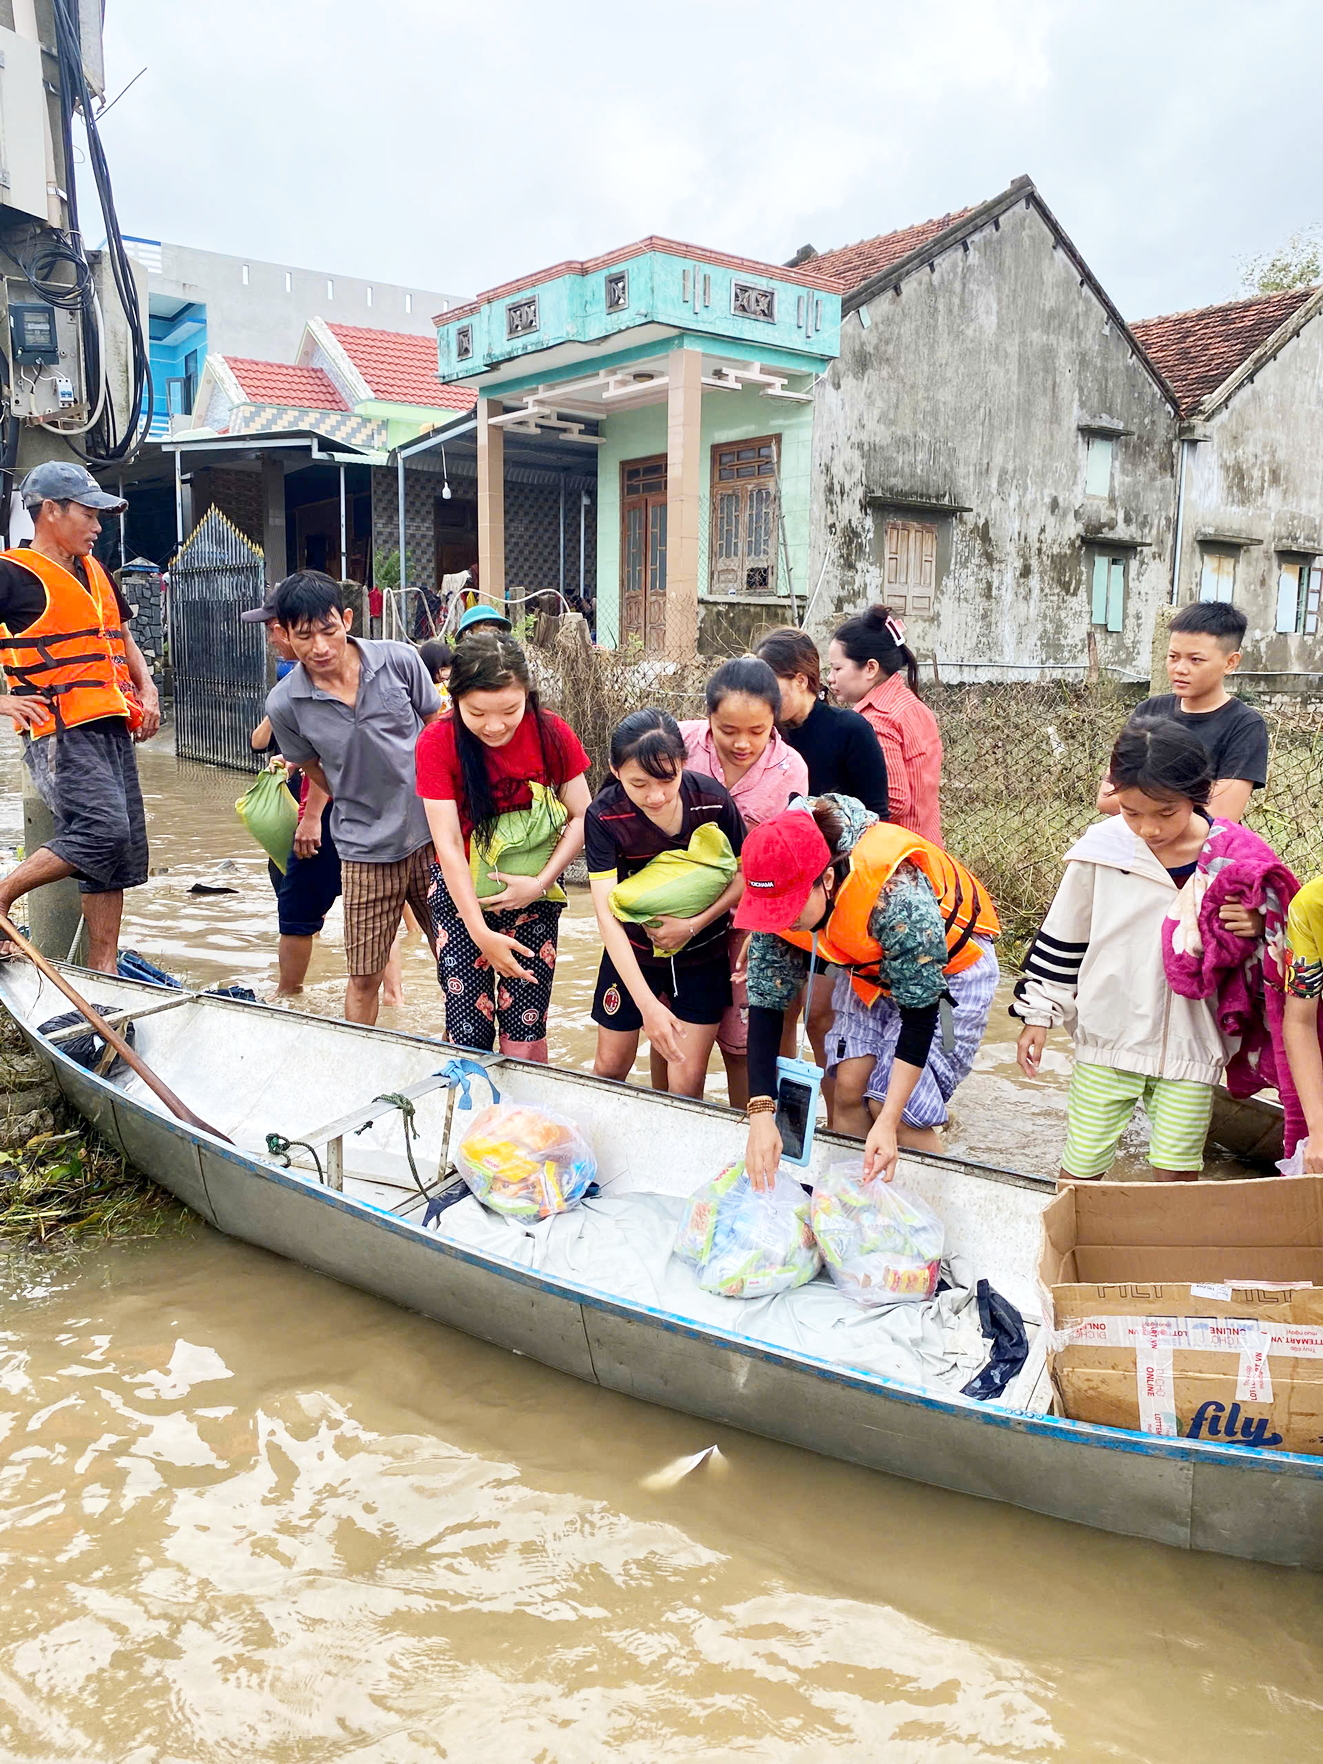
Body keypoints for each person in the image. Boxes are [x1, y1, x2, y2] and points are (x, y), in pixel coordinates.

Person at [1015, 720, 1259, 1183]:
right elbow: (1064, 935)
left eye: (1166, 813)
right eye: (1131, 812)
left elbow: (1281, 928)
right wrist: (1038, 1014)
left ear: (1198, 794)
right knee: (1080, 1173)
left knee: (1177, 1176)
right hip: (1109, 1034)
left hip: (1194, 1039)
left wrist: (1257, 924)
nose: (1148, 828)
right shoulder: (1102, 850)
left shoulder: (1232, 859)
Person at [736, 800, 1000, 1185]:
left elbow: (921, 1011)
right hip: (869, 972)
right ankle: (853, 1213)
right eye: (770, 912)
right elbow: (765, 1003)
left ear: (826, 880)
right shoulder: (780, 885)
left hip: (948, 977)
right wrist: (761, 1112)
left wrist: (888, 1123)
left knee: (896, 1109)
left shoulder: (895, 897)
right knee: (846, 1090)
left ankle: (938, 1214)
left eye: (788, 909)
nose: (781, 923)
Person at [0, 462, 160, 973]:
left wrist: (148, 686)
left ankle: (104, 970)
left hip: (112, 722)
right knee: (101, 831)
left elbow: (124, 638)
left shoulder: (96, 571)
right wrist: (3, 703)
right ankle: (2, 895)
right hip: (60, 730)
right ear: (51, 511)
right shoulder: (11, 573)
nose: (97, 526)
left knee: (120, 855)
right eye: (88, 515)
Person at [264, 570, 442, 1025]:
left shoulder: (400, 661)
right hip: (363, 851)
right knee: (363, 976)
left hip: (433, 841)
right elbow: (313, 769)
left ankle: (468, 1055)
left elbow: (438, 731)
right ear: (285, 635)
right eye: (304, 637)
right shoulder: (285, 704)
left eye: (329, 630)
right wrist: (354, 797)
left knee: (459, 960)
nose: (320, 647)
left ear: (346, 619)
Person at [416, 628, 590, 1060]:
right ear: (453, 699)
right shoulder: (437, 743)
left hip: (536, 897)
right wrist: (479, 932)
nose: (494, 726)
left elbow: (585, 815)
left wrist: (541, 882)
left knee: (527, 1034)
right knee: (467, 1034)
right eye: (477, 713)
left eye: (509, 710)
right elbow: (450, 846)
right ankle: (475, 1123)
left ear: (527, 696)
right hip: (461, 905)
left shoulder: (552, 734)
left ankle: (525, 1122)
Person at [587, 710, 745, 1100]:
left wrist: (693, 923)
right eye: (639, 783)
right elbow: (607, 917)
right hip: (633, 952)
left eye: (667, 780)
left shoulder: (711, 800)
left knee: (685, 1085)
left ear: (683, 764)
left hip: (702, 953)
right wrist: (647, 1006)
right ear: (616, 770)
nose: (655, 796)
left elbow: (743, 876)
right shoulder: (604, 815)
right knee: (609, 1069)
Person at [678, 655, 808, 1106]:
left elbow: (786, 859)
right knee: (675, 1039)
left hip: (749, 922)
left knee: (743, 1043)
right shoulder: (679, 742)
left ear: (775, 718)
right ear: (708, 715)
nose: (741, 743)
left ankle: (746, 1142)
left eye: (756, 731)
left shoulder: (790, 770)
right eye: (728, 730)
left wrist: (762, 929)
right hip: (679, 914)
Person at [1099, 602, 1269, 823]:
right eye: (1173, 657)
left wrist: (1141, 792)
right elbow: (1107, 797)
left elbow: (1221, 814)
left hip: (1199, 852)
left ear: (1230, 662)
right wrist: (1195, 794)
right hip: (1135, 845)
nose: (1180, 668)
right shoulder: (1149, 710)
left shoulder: (1244, 725)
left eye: (1195, 659)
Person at [827, 605, 942, 843]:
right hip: (927, 847)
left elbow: (894, 799)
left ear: (870, 667)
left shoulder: (876, 719)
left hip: (895, 857)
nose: (830, 678)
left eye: (837, 668)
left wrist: (832, 810)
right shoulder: (911, 704)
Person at [755, 628, 889, 816]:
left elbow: (876, 816)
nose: (764, 698)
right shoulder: (762, 734)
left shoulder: (850, 730)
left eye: (770, 687)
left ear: (800, 681)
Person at [418, 639, 454, 711]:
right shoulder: (421, 690)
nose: (444, 674)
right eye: (441, 670)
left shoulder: (448, 685)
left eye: (446, 669)